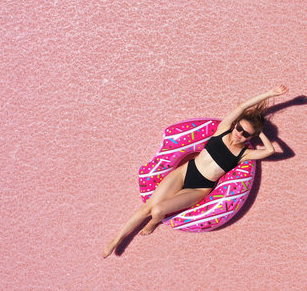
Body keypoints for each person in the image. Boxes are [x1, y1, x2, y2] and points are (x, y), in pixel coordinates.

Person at [103, 85, 289, 258]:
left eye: (245, 134)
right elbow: (242, 107)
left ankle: (153, 222)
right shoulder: (222, 130)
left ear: (250, 137)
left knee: (158, 210)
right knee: (147, 208)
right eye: (239, 128)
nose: (239, 133)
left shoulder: (243, 153)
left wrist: (259, 132)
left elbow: (270, 151)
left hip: (199, 188)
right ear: (235, 124)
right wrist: (270, 95)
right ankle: (117, 239)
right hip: (185, 172)